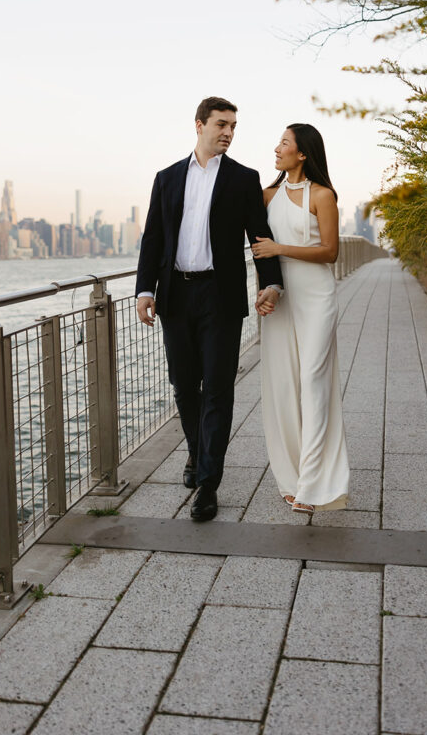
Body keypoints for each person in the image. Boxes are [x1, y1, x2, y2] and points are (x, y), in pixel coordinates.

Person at [136, 97, 283, 521]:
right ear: (199, 125)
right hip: (176, 297)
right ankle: (197, 452)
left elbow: (260, 237)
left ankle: (207, 483)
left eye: (233, 126)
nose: (228, 133)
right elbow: (153, 239)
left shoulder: (243, 178)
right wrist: (145, 289)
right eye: (221, 124)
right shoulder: (166, 179)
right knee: (183, 384)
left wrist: (270, 283)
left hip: (220, 297)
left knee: (218, 388)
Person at [252, 123, 349, 514]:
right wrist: (264, 288)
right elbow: (257, 250)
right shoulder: (266, 196)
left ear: (303, 153)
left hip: (315, 297)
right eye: (278, 142)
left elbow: (330, 252)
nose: (277, 148)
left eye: (285, 143)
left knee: (312, 381)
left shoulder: (323, 196)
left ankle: (314, 484)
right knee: (282, 385)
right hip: (279, 297)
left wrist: (280, 247)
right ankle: (290, 478)